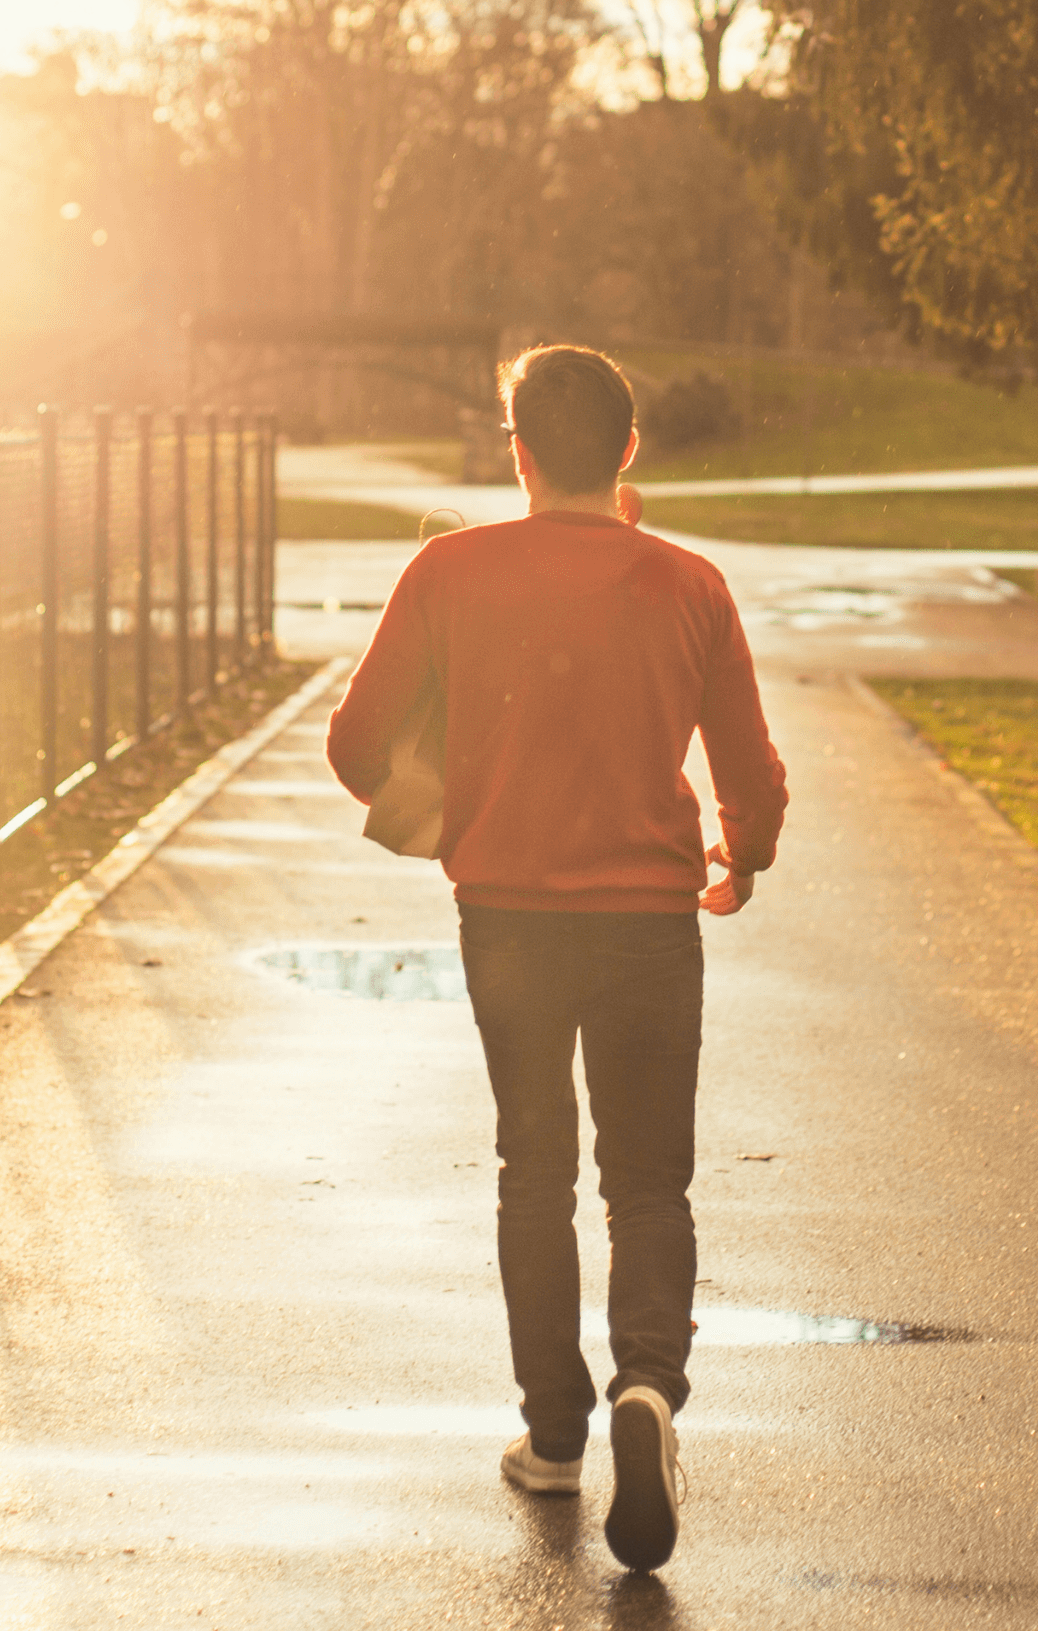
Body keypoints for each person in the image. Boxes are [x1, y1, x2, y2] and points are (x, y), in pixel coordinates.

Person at [326, 345, 787, 1574]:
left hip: (510, 913)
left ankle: (556, 1432)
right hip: (649, 920)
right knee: (648, 1179)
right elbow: (750, 764)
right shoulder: (689, 583)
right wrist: (745, 852)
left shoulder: (449, 569)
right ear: (630, 449)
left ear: (516, 449)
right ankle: (648, 1384)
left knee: (533, 1162)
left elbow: (356, 739)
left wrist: (434, 804)